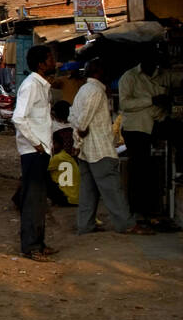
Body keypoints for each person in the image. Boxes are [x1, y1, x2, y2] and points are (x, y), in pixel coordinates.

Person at [71, 58, 152, 235]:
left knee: (88, 190)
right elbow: (83, 122)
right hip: (99, 149)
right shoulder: (96, 91)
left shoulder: (84, 89)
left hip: (86, 150)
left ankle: (85, 224)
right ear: (99, 72)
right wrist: (80, 134)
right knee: (112, 189)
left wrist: (77, 142)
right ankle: (126, 224)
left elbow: (73, 116)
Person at [12, 44, 57, 261]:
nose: (53, 62)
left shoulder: (42, 86)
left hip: (41, 149)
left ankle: (39, 242)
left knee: (39, 200)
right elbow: (18, 117)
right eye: (50, 59)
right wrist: (37, 143)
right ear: (41, 64)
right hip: (33, 151)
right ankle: (31, 247)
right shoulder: (31, 86)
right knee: (32, 200)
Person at [118, 53, 167, 224]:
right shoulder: (129, 77)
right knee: (139, 171)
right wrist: (151, 100)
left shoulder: (161, 75)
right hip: (136, 129)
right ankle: (137, 211)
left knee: (150, 171)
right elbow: (124, 104)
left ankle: (150, 209)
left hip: (156, 126)